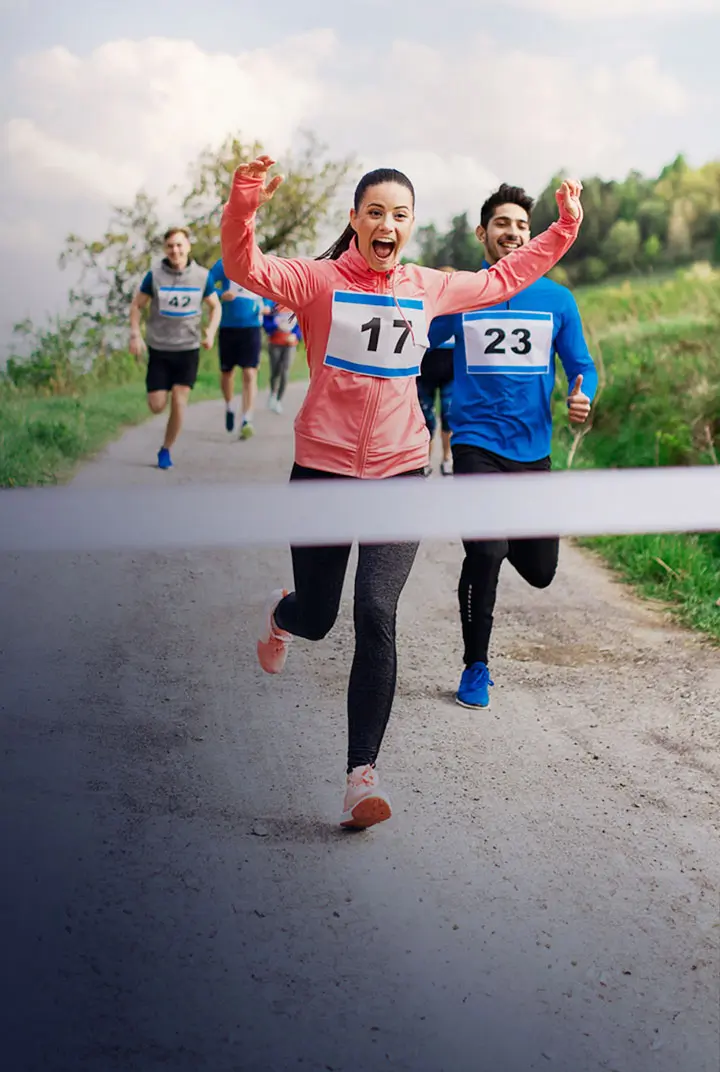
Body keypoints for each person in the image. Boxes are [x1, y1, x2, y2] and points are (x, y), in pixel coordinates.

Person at [221, 155, 583, 829]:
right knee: (320, 616)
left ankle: (362, 777)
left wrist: (562, 228)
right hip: (324, 474)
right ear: (355, 221)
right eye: (375, 212)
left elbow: (506, 275)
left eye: (400, 214)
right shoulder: (317, 280)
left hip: (399, 473)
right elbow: (246, 268)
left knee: (376, 613)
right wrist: (244, 203)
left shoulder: (428, 287)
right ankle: (283, 614)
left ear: (409, 227)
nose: (387, 224)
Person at [427, 183, 598, 710]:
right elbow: (424, 337)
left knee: (541, 572)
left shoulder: (557, 299)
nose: (514, 233)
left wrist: (580, 396)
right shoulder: (466, 291)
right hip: (475, 443)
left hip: (532, 452)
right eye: (503, 224)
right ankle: (475, 665)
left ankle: (496, 547)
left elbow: (582, 367)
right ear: (484, 233)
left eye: (523, 225)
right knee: (487, 549)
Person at [129, 227, 220, 469]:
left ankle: (166, 449)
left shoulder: (202, 276)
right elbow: (137, 306)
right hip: (160, 349)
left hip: (188, 350)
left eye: (179, 245)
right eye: (170, 246)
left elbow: (216, 306)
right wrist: (135, 334)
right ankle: (164, 394)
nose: (175, 250)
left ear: (188, 247)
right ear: (165, 249)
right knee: (157, 405)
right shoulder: (154, 275)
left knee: (180, 401)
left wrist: (210, 332)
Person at [206, 258, 265, 438]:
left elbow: (271, 288)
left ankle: (247, 418)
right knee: (227, 373)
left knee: (249, 373)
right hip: (228, 326)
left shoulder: (259, 260)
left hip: (252, 326)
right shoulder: (224, 263)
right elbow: (206, 284)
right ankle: (230, 406)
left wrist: (268, 306)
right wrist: (220, 293)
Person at [416, 268, 455, 476]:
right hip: (425, 374)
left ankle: (447, 458)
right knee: (426, 420)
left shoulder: (462, 306)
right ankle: (426, 461)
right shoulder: (422, 305)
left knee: (449, 416)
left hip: (451, 373)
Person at [263, 301, 302, 414]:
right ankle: (273, 394)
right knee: (275, 371)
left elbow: (302, 323)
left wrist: (295, 335)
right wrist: (275, 327)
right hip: (275, 342)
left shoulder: (296, 303)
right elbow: (266, 322)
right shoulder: (273, 303)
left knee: (285, 372)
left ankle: (279, 400)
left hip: (290, 344)